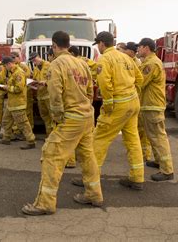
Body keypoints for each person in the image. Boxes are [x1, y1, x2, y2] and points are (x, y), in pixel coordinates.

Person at [22, 31, 103, 216]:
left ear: (54, 45)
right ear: (68, 44)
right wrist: (85, 108)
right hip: (86, 117)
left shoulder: (56, 64)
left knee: (51, 154)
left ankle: (45, 203)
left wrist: (58, 116)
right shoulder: (82, 64)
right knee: (87, 156)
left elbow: (55, 94)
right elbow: (91, 90)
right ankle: (94, 194)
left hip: (71, 118)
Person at [74, 32, 145, 190]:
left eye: (98, 45)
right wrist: (132, 94)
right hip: (133, 103)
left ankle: (90, 178)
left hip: (117, 106)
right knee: (133, 141)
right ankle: (137, 177)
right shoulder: (126, 57)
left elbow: (105, 84)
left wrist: (108, 103)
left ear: (101, 44)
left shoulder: (105, 59)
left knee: (99, 139)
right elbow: (139, 79)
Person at [137, 38, 174, 181]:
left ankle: (167, 171)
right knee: (154, 136)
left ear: (146, 48)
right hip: (149, 105)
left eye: (140, 47)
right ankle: (159, 161)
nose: (138, 50)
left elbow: (140, 81)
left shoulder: (151, 64)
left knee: (158, 137)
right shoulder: (149, 62)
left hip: (152, 106)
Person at [121, 42, 153, 162]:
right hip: (138, 100)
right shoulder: (138, 62)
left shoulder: (142, 63)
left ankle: (145, 155)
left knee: (143, 131)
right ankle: (141, 154)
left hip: (142, 101)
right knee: (138, 130)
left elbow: (140, 81)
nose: (122, 52)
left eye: (124, 50)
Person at [0, 56, 36, 149]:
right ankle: (6, 138)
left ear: (9, 64)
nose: (5, 68)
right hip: (11, 103)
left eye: (5, 66)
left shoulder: (18, 73)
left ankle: (31, 141)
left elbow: (19, 88)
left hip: (18, 103)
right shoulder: (13, 72)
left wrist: (7, 88)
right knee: (6, 121)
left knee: (23, 123)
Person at [10, 51, 34, 135]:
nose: (12, 59)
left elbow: (28, 75)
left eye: (14, 57)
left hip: (26, 91)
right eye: (11, 58)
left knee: (27, 112)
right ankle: (18, 131)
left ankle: (29, 129)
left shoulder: (23, 67)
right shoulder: (12, 68)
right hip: (18, 93)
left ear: (18, 57)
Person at [29, 52, 52, 137]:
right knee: (45, 117)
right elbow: (35, 79)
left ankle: (54, 135)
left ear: (39, 57)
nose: (34, 62)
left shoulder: (49, 66)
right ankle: (49, 134)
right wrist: (33, 83)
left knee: (52, 116)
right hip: (40, 96)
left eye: (35, 60)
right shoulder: (35, 68)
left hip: (49, 95)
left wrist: (45, 82)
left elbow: (55, 80)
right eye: (32, 61)